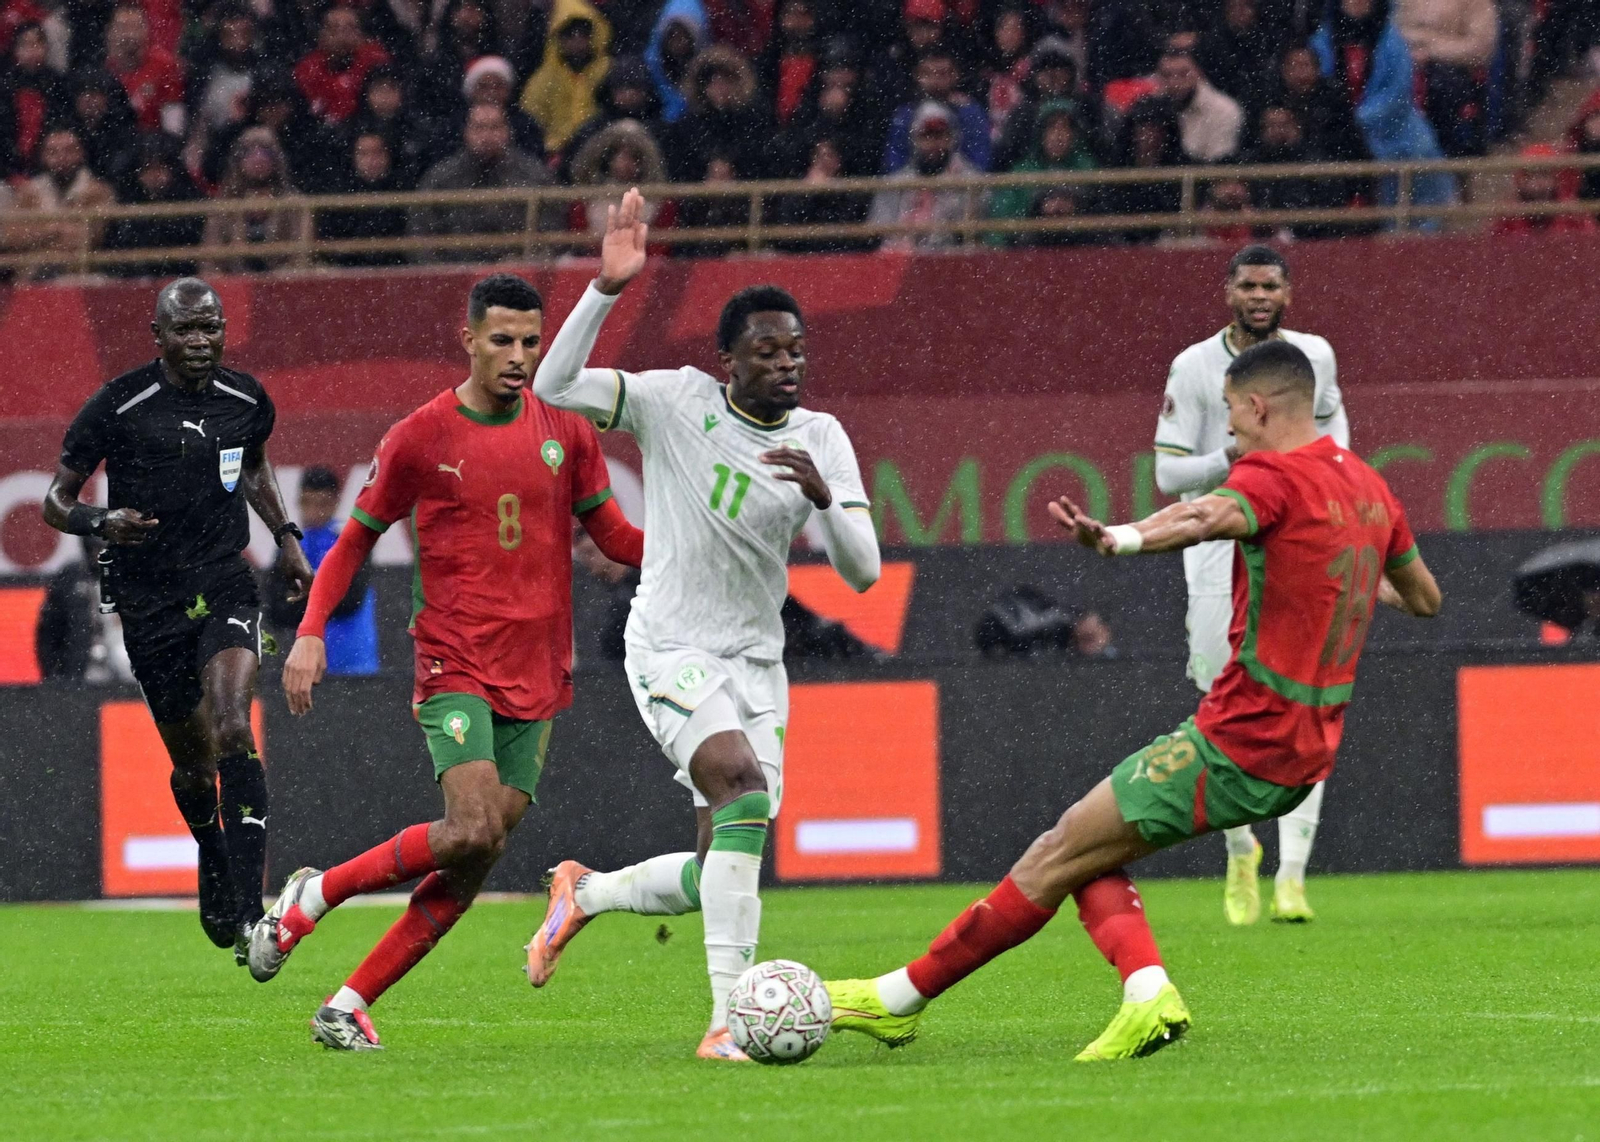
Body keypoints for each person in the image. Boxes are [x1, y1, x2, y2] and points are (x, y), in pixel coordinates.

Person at [825, 338, 1440, 1059]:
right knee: (1085, 847)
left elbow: (1202, 517)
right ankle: (1145, 992)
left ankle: (899, 999)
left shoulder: (1272, 474)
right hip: (1306, 749)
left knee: (1056, 852)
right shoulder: (1370, 488)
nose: (1230, 430)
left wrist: (1116, 538)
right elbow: (1425, 597)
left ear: (1257, 404)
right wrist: (1344, 571)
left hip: (1244, 738)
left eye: (1231, 414)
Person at [526, 189, 880, 1062]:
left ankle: (587, 894)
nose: (786, 364)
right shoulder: (676, 403)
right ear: (727, 360)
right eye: (766, 351)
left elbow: (864, 572)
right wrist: (607, 288)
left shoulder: (823, 437)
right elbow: (554, 384)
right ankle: (728, 1023)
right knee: (743, 790)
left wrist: (823, 498)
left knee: (719, 858)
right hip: (672, 644)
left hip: (757, 662)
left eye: (796, 350)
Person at [250, 274, 643, 1052]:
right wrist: (311, 628)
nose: (520, 357)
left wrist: (715, 552)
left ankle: (349, 1002)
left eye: (531, 342)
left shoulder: (569, 429)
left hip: (540, 669)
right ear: (467, 339)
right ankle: (316, 894)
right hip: (454, 658)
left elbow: (620, 540)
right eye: (502, 340)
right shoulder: (422, 435)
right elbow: (356, 537)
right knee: (467, 825)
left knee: (480, 849)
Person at [41, 277, 313, 961]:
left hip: (223, 581)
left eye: (211, 328)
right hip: (147, 597)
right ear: (156, 335)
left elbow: (251, 467)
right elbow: (54, 501)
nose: (200, 342)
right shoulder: (118, 405)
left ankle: (254, 917)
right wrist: (102, 520)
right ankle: (213, 851)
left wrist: (284, 536)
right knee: (193, 766)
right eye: (185, 330)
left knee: (230, 727)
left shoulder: (247, 398)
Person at [1154, 245, 1349, 923]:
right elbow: (1168, 476)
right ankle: (1240, 851)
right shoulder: (1194, 365)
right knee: (1223, 699)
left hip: (1296, 542)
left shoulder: (1313, 359)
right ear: (1228, 291)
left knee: (1306, 696)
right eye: (1247, 284)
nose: (1258, 295)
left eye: (1270, 285)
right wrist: (1226, 458)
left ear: (1288, 293)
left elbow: (1338, 446)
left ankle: (1294, 873)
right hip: (1217, 542)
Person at [409, 103, 557, 263]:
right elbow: (420, 234)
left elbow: (553, 230)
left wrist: (523, 262)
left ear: (508, 131)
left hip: (517, 272)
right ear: (466, 132)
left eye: (495, 127)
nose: (486, 136)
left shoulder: (534, 175)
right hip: (456, 273)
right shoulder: (441, 179)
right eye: (479, 128)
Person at [265, 465, 378, 674]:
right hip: (302, 666)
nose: (313, 512)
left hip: (352, 664)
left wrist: (300, 598)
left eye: (322, 504)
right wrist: (327, 596)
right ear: (298, 501)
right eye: (307, 503)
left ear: (335, 503)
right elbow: (275, 611)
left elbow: (351, 601)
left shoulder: (351, 540)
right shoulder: (289, 546)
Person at [869, 101, 984, 250]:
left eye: (940, 135)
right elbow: (878, 230)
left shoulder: (971, 181)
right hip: (899, 260)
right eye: (926, 136)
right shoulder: (895, 182)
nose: (933, 143)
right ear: (915, 140)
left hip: (950, 257)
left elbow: (973, 231)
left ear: (952, 138)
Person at [519, 0, 612, 157]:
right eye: (569, 33)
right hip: (555, 156)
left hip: (601, 152)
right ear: (557, 37)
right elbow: (531, 123)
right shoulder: (543, 79)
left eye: (584, 32)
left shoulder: (608, 72)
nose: (577, 40)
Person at [293, 4, 391, 125]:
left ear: (360, 34)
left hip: (364, 128)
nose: (342, 35)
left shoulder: (375, 60)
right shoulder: (307, 68)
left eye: (349, 28)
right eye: (334, 29)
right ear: (322, 35)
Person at [103, 2, 185, 135]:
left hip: (152, 144)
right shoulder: (103, 69)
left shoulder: (165, 66)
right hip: (113, 143)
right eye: (123, 27)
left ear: (147, 30)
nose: (129, 35)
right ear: (110, 32)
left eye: (136, 27)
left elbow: (173, 121)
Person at [1155, 47, 1243, 162]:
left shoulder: (1224, 110)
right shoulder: (1152, 108)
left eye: (1183, 74)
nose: (1174, 82)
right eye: (1166, 75)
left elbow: (1219, 163)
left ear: (1199, 73)